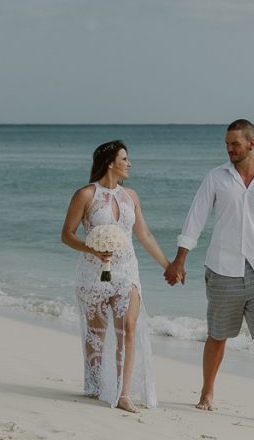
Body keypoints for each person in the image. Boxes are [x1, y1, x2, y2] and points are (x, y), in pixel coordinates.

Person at [164, 119, 254, 426]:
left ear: (252, 143)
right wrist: (180, 259)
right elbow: (195, 217)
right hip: (223, 269)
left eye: (235, 144)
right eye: (227, 144)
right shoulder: (216, 177)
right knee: (218, 335)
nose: (230, 149)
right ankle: (207, 392)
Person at [61, 140, 171, 412]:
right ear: (111, 163)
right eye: (125, 158)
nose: (129, 163)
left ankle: (123, 394)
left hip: (126, 271)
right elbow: (67, 235)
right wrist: (92, 249)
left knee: (128, 330)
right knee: (96, 334)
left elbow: (143, 234)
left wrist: (168, 265)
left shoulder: (131, 196)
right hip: (93, 273)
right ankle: (96, 386)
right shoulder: (86, 195)